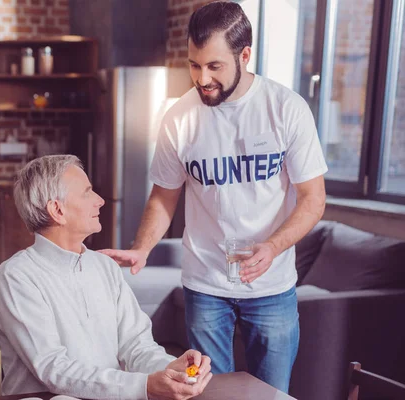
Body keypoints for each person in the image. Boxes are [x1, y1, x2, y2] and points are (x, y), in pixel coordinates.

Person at [99, 1, 327, 393]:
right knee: (208, 393)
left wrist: (272, 247)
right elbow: (164, 196)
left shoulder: (286, 109)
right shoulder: (179, 118)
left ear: (244, 55)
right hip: (205, 286)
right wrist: (142, 248)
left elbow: (312, 199)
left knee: (267, 395)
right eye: (194, 64)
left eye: (214, 66)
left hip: (272, 288)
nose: (202, 78)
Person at [0, 155, 213, 399]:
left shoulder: (104, 267)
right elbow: (52, 369)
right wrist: (145, 387)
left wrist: (172, 370)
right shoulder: (16, 277)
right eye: (87, 193)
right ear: (57, 210)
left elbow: (137, 346)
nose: (100, 201)